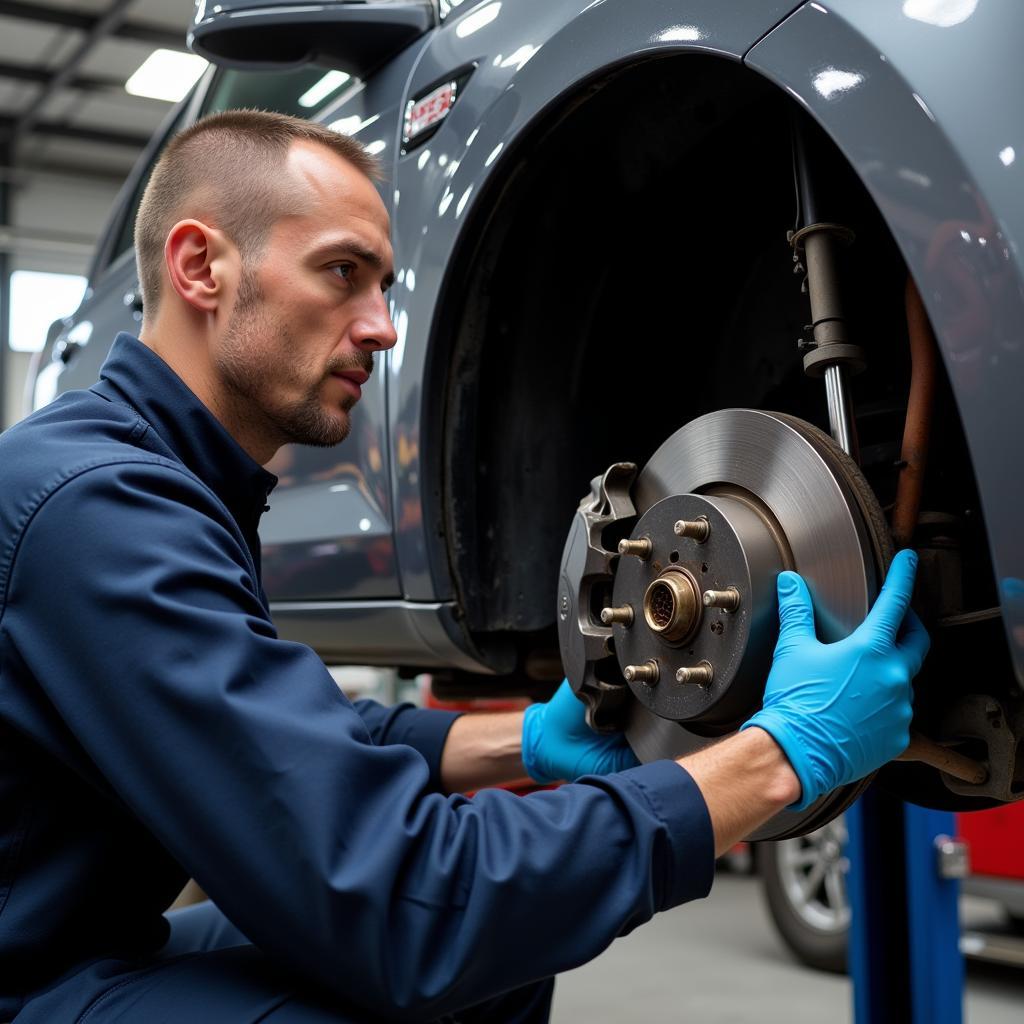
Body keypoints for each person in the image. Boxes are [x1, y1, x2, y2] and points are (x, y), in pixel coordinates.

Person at [0, 111, 929, 1024]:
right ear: (202, 266)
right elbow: (406, 904)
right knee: (443, 954)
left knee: (498, 973)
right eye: (341, 272)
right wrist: (778, 759)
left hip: (65, 947)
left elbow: (276, 743)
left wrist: (517, 741)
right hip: (35, 982)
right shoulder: (100, 509)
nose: (382, 327)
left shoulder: (145, 476)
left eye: (385, 286)